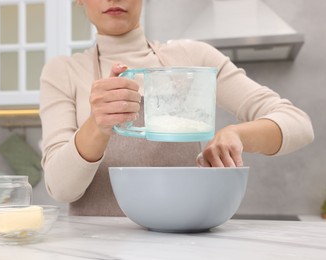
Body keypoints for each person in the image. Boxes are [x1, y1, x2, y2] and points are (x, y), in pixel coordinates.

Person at [39, 0, 314, 216]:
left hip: (183, 242)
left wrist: (238, 134)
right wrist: (96, 126)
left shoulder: (194, 59)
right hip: (93, 247)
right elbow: (61, 189)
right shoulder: (62, 72)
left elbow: (299, 124)